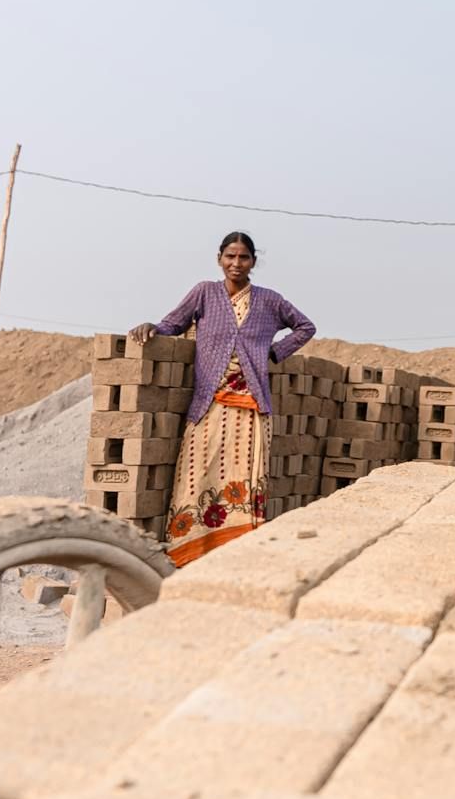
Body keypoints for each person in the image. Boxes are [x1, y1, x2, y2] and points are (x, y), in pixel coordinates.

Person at [128, 231, 317, 565]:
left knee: (243, 481)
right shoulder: (204, 293)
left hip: (251, 412)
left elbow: (305, 326)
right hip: (209, 406)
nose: (236, 263)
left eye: (243, 257)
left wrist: (272, 353)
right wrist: (151, 326)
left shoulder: (270, 301)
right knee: (196, 477)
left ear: (253, 262)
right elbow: (173, 323)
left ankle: (237, 559)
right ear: (219, 258)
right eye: (230, 256)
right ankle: (190, 554)